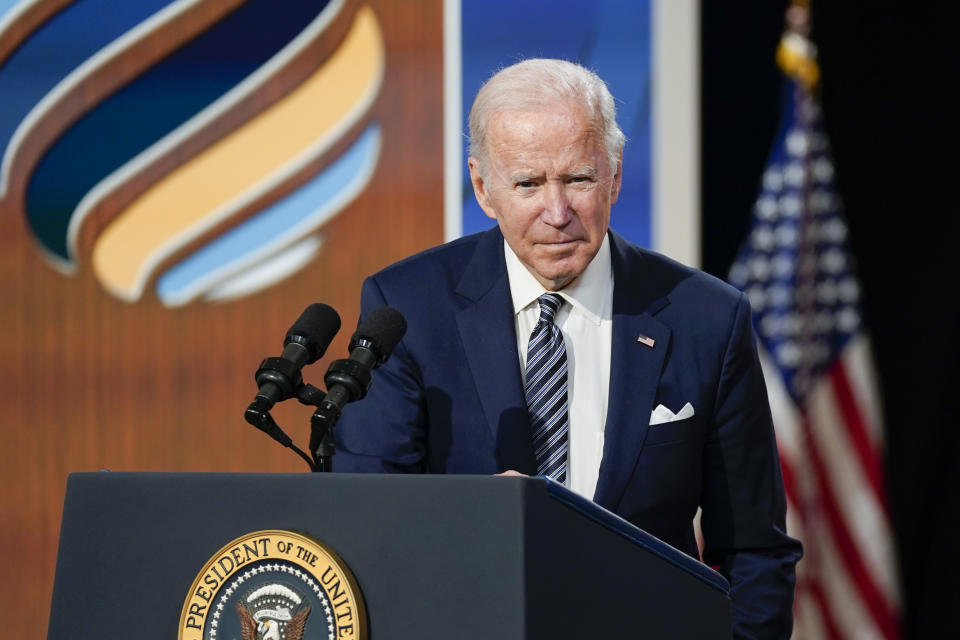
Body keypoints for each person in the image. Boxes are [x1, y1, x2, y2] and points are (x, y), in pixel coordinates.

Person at [334, 58, 801, 637]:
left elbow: (755, 551)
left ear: (615, 175)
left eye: (578, 179)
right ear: (483, 187)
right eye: (528, 183)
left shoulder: (707, 318)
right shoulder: (408, 309)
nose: (557, 214)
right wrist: (471, 524)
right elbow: (369, 526)